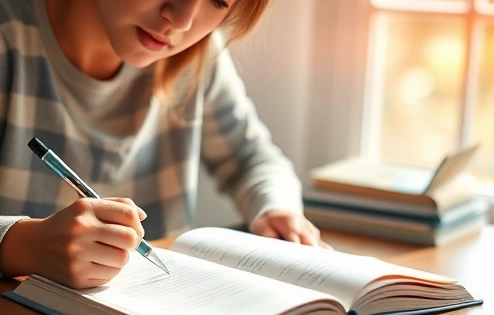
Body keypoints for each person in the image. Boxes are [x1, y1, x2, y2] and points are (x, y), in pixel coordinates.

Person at [0, 0, 329, 289]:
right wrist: (22, 245)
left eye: (217, 0)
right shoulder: (9, 36)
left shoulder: (195, 56)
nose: (182, 21)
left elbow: (252, 158)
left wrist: (277, 208)